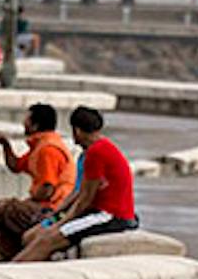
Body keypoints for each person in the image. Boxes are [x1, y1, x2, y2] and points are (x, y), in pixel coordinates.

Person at [11, 106, 138, 261]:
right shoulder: (94, 150)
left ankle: (15, 270)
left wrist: (60, 224)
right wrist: (56, 215)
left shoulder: (96, 153)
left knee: (47, 240)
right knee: (31, 236)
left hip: (110, 217)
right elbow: (78, 192)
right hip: (97, 212)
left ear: (76, 131)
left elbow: (85, 200)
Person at [0, 103, 75, 261]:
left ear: (35, 125)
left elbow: (47, 189)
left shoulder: (48, 150)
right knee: (6, 226)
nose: (23, 123)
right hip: (45, 205)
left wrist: (27, 201)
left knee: (5, 208)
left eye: (26, 120)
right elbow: (16, 166)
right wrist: (6, 146)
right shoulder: (40, 146)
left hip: (52, 210)